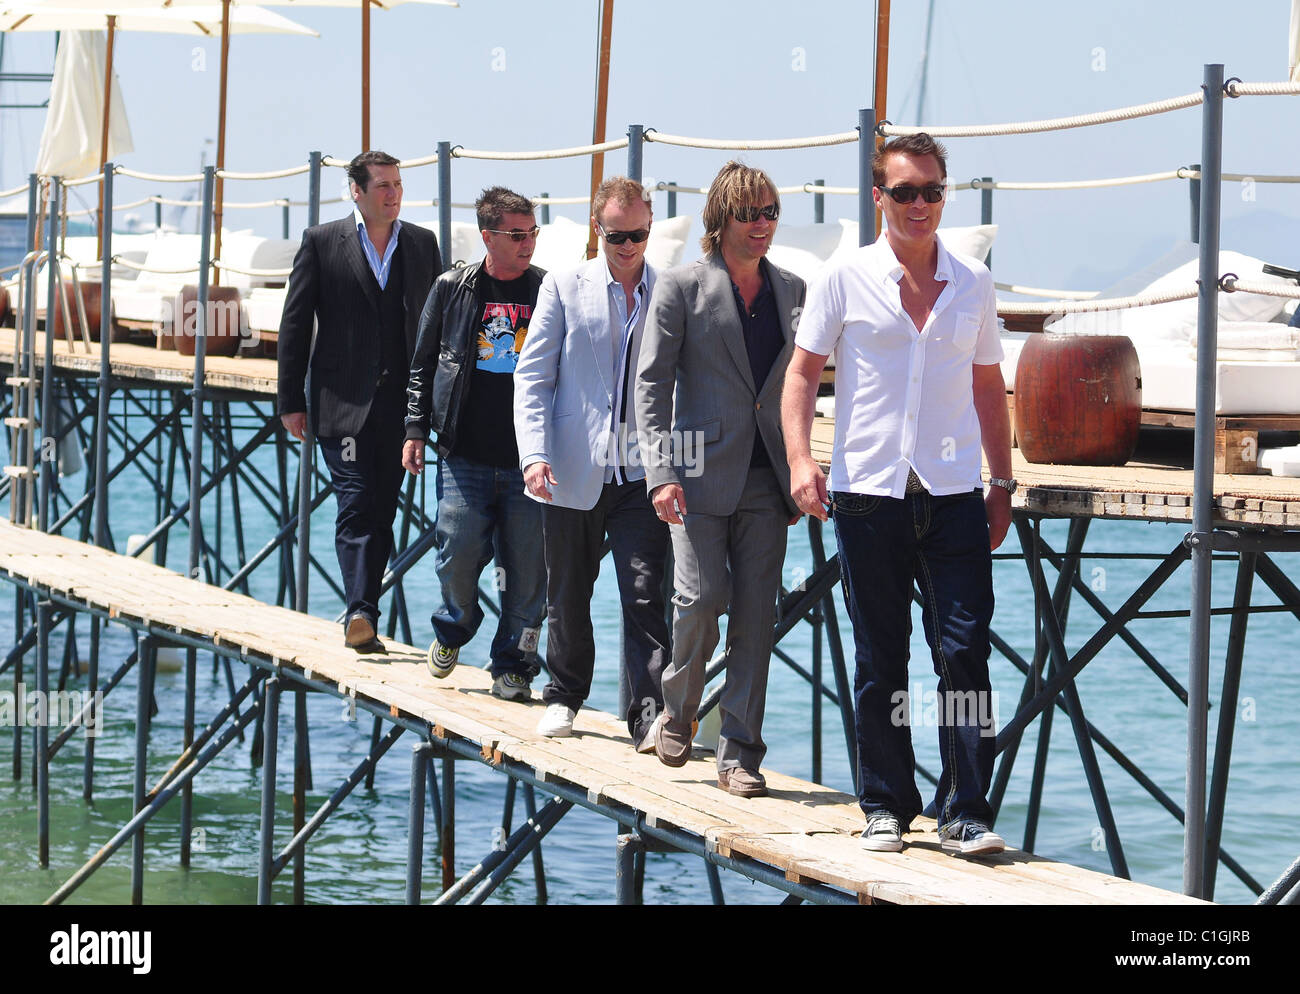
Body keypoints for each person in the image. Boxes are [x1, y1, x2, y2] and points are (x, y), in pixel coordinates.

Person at [781, 133, 1012, 856]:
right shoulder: (845, 277)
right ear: (879, 197)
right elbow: (800, 375)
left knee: (964, 650)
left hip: (952, 495)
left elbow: (986, 384)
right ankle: (884, 804)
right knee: (882, 655)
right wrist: (798, 461)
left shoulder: (973, 281)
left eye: (933, 191)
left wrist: (1001, 482)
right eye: (906, 191)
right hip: (866, 493)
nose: (921, 205)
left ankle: (965, 810)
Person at [635, 162, 805, 798]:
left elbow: (800, 383)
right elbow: (650, 384)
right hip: (697, 472)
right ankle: (678, 710)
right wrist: (660, 472)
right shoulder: (680, 287)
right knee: (701, 600)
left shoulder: (793, 289)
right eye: (749, 214)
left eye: (769, 214)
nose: (761, 225)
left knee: (757, 616)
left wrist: (801, 464)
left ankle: (739, 754)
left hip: (769, 477)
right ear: (720, 218)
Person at [513, 176, 671, 749]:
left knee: (645, 589)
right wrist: (533, 454)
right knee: (569, 591)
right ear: (596, 230)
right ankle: (563, 696)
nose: (626, 246)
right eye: (615, 235)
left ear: (650, 230)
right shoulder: (563, 285)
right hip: (572, 465)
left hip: (640, 469)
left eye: (637, 235)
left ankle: (648, 713)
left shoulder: (668, 290)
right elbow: (532, 376)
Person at [277, 150, 442, 652]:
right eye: (382, 186)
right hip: (340, 403)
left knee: (382, 508)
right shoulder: (322, 242)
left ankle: (361, 610)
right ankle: (362, 612)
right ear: (356, 190)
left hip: (401, 407)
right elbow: (296, 321)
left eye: (397, 185)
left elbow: (436, 325)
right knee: (356, 503)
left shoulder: (420, 244)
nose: (392, 195)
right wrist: (290, 399)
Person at [403, 187, 546, 701]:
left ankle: (514, 665)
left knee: (529, 572)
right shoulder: (452, 287)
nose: (527, 242)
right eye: (516, 234)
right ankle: (455, 625)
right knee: (457, 553)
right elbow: (421, 363)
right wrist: (415, 428)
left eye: (532, 232)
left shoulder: (547, 290)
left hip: (529, 461)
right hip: (463, 451)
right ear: (487, 236)